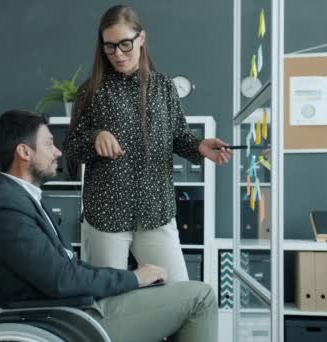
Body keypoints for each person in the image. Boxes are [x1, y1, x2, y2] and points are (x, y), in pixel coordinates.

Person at [0, 109, 217, 342]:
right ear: (24, 152)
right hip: (69, 319)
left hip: (79, 307)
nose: (58, 151)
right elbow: (61, 279)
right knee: (201, 297)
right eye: (49, 144)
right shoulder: (7, 207)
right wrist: (134, 279)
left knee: (177, 293)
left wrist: (130, 278)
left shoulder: (23, 198)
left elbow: (69, 267)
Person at [63, 5, 232, 281]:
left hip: (156, 211)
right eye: (109, 47)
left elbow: (178, 136)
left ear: (141, 38)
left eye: (125, 44)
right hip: (106, 214)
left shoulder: (163, 87)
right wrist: (96, 138)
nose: (118, 54)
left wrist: (199, 146)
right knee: (107, 304)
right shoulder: (91, 90)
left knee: (179, 294)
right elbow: (71, 147)